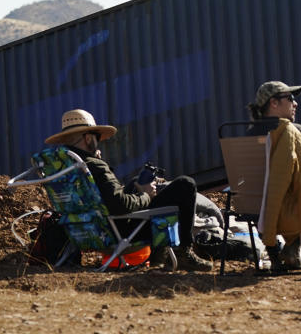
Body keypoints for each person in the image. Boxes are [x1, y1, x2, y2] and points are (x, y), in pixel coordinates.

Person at [44, 109, 212, 271]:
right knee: (185, 184)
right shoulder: (95, 166)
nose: (99, 141)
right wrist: (146, 195)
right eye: (96, 137)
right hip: (120, 232)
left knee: (134, 182)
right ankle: (182, 253)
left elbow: (102, 197)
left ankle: (158, 257)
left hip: (88, 230)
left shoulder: (64, 169)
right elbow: (120, 205)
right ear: (88, 138)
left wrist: (137, 189)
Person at [245, 81, 301, 271]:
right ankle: (292, 249)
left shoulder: (248, 135)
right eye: (290, 98)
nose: (296, 104)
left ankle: (273, 252)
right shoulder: (294, 131)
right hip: (288, 207)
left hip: (252, 206)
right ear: (274, 103)